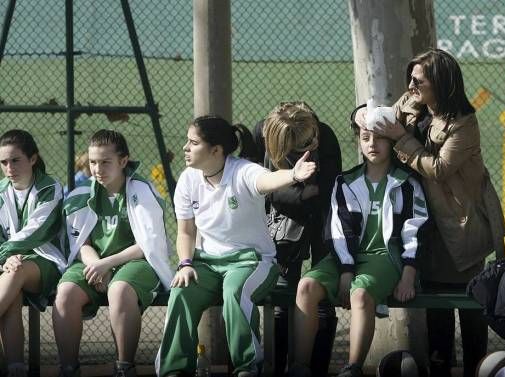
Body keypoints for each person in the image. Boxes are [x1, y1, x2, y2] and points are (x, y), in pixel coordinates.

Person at [369, 48, 505, 377]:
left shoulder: (464, 122)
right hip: (423, 220)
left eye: (419, 81)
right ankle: (440, 365)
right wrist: (370, 119)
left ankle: (478, 368)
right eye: (411, 79)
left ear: (441, 83)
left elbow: (441, 168)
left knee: (470, 302)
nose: (412, 86)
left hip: (460, 222)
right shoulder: (412, 103)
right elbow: (379, 117)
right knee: (435, 307)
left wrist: (402, 138)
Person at [156, 115, 317, 377]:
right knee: (180, 292)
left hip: (252, 262)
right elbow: (185, 232)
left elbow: (267, 181)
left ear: (216, 150)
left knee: (235, 291)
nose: (185, 147)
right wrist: (185, 263)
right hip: (206, 262)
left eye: (193, 142)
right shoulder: (187, 180)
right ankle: (174, 370)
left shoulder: (242, 171)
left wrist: (293, 175)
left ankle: (247, 367)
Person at [289, 106, 429, 377]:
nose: (372, 144)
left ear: (391, 141)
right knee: (305, 286)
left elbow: (416, 231)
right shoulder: (346, 182)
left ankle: (352, 369)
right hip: (346, 258)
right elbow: (339, 231)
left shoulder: (407, 183)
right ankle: (299, 368)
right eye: (365, 138)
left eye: (379, 137)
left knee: (360, 295)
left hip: (385, 258)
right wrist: (345, 271)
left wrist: (409, 274)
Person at [53, 129, 174, 377]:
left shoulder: (142, 192)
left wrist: (107, 264)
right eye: (93, 162)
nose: (98, 169)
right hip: (93, 263)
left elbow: (148, 246)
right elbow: (80, 243)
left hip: (136, 262)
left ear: (123, 161)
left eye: (106, 162)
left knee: (119, 290)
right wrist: (96, 265)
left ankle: (124, 367)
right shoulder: (80, 194)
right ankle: (68, 368)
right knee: (65, 293)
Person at [254, 101, 341, 377]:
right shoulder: (263, 135)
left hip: (323, 220)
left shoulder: (324, 135)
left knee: (323, 298)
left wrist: (298, 190)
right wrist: (301, 191)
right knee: (281, 297)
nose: (313, 142)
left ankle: (314, 368)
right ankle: (277, 367)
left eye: (313, 135)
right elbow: (263, 187)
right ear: (282, 145)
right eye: (304, 144)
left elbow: (328, 188)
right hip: (283, 220)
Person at [0, 129, 67, 377]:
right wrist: (6, 257)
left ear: (33, 159)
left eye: (15, 160)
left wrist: (8, 255)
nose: (9, 168)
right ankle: (16, 368)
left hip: (44, 260)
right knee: (11, 295)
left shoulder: (50, 187)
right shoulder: (0, 190)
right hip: (8, 263)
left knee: (15, 272)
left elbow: (36, 233)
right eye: (4, 162)